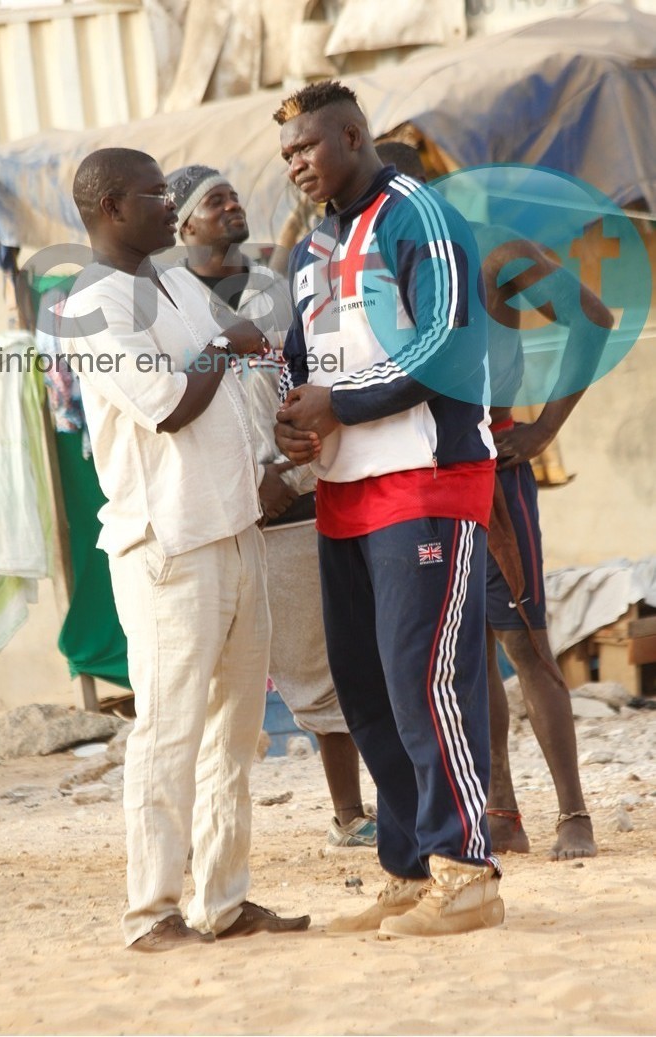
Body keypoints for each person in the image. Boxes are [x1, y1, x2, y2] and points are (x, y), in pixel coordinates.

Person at [272, 81, 504, 939]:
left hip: (426, 478)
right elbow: (305, 361)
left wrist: (338, 403)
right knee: (367, 690)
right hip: (344, 490)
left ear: (352, 135)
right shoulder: (309, 246)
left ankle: (466, 869)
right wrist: (296, 416)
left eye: (307, 147)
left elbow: (442, 344)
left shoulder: (419, 215)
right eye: (286, 155)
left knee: (424, 677)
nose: (295, 164)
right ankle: (410, 868)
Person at [64, 147, 310, 951]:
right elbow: (168, 406)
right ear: (109, 208)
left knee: (238, 733)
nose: (170, 202)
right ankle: (151, 913)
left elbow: (237, 380)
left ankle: (222, 901)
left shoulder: (172, 283)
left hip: (235, 528)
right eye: (152, 192)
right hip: (167, 544)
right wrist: (225, 346)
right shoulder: (91, 307)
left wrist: (272, 452)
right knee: (168, 731)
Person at [375, 140, 611, 860]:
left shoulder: (491, 255)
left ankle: (573, 813)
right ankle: (500, 810)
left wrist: (542, 426)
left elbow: (591, 316)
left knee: (524, 644)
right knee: (458, 657)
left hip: (493, 472)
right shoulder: (378, 272)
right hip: (419, 479)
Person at [164, 163, 377, 851]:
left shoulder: (275, 289)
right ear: (183, 224)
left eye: (233, 195)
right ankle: (343, 815)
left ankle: (374, 806)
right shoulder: (169, 308)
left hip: (312, 490)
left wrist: (290, 475)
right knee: (294, 671)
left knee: (355, 655)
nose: (231, 206)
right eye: (213, 201)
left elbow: (320, 381)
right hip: (233, 512)